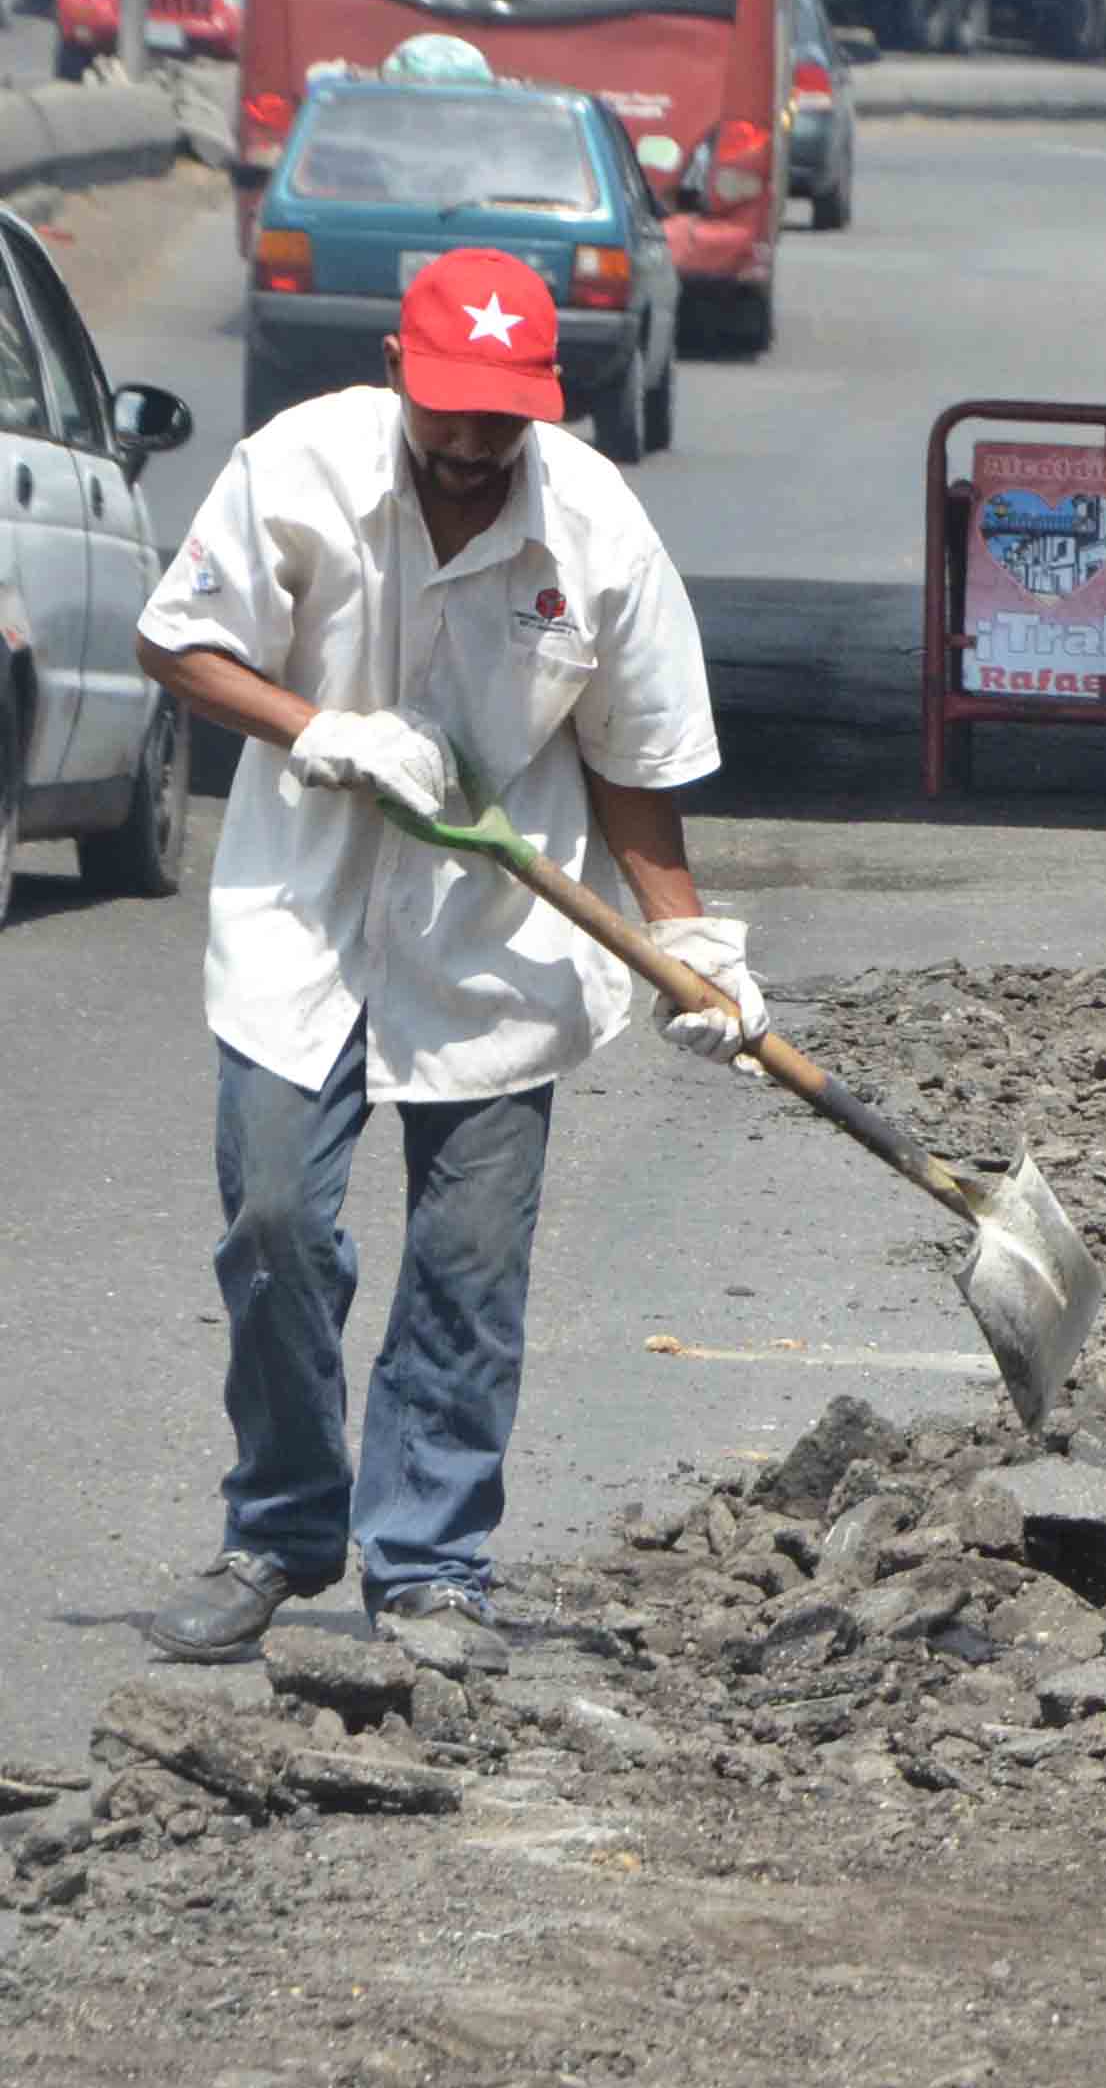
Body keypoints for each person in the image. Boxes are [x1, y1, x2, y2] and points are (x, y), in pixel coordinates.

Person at [129, 247, 758, 1671]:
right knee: (276, 1223)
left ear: (549, 398)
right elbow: (177, 643)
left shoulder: (598, 531)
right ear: (403, 376)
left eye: (505, 417)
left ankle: (430, 1562)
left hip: (495, 935)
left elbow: (635, 765)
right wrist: (317, 729)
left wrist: (687, 940)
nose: (473, 443)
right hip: (305, 903)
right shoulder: (298, 468)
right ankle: (279, 1531)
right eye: (450, 409)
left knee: (469, 1268)